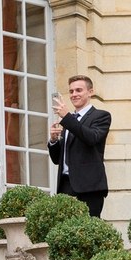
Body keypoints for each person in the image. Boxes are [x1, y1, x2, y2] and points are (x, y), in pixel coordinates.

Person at [47, 75, 111, 218]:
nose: (74, 94)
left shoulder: (101, 116)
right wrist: (53, 141)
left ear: (90, 92)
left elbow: (91, 138)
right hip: (65, 186)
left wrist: (67, 117)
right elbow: (57, 159)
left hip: (89, 187)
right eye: (71, 91)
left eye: (78, 90)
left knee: (88, 228)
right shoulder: (69, 121)